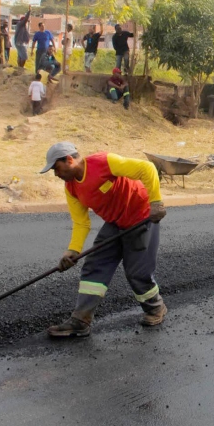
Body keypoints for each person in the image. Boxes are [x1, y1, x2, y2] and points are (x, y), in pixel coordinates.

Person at [40, 142, 168, 338]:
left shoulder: (104, 162)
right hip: (115, 223)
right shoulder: (71, 188)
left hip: (141, 217)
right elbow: (81, 222)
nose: (56, 174)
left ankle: (156, 308)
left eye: (56, 168)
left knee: (137, 272)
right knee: (94, 265)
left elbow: (147, 168)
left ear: (69, 159)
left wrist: (156, 202)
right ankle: (81, 320)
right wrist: (72, 251)